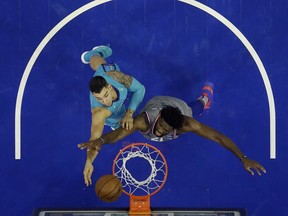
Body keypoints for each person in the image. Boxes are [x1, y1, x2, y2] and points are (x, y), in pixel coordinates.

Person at [78, 82, 266, 186]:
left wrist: (243, 157)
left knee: (196, 108)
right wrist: (101, 140)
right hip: (157, 103)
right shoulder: (143, 121)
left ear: (175, 129)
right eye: (160, 127)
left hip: (180, 108)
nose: (159, 132)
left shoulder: (186, 123)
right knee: (131, 126)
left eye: (164, 131)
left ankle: (205, 98)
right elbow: (119, 134)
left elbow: (218, 137)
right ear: (158, 119)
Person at [80, 45, 145, 186]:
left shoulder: (117, 77)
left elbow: (140, 89)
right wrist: (89, 161)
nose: (105, 101)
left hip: (106, 73)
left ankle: (93, 54)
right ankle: (93, 55)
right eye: (100, 99)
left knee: (100, 65)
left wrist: (129, 113)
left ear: (109, 87)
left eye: (105, 96)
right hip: (111, 118)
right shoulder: (99, 112)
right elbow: (94, 140)